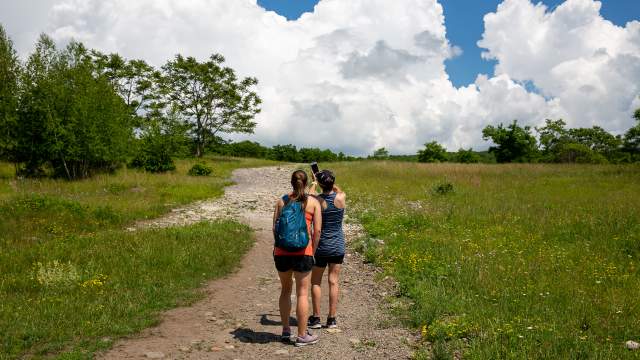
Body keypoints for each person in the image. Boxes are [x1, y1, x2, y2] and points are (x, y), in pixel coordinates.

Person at [272, 170, 322, 346]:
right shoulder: (313, 202)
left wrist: (277, 248)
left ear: (291, 182)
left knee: (285, 290)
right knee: (302, 293)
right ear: (306, 182)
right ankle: (302, 335)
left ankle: (286, 331)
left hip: (282, 253)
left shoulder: (281, 201)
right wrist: (313, 252)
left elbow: (275, 229)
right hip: (303, 253)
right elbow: (317, 232)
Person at [307, 169, 346, 329]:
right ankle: (331, 319)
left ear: (321, 184)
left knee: (316, 282)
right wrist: (326, 181)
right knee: (333, 282)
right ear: (332, 183)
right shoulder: (341, 197)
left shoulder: (316, 200)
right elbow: (338, 189)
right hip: (337, 245)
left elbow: (309, 195)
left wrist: (314, 182)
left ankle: (316, 318)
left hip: (321, 247)